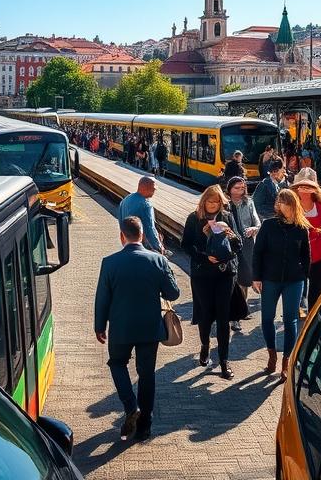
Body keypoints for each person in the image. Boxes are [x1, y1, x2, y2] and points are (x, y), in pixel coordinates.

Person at [95, 215, 180, 442]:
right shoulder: (158, 260)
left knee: (117, 363)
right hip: (149, 328)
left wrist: (100, 326)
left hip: (121, 328)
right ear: (142, 235)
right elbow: (173, 293)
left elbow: (102, 298)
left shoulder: (109, 262)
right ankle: (144, 426)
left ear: (122, 236)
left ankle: (131, 406)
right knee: (146, 374)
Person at [180, 185, 242, 379]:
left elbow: (238, 245)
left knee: (223, 318)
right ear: (204, 201)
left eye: (217, 201)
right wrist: (204, 256)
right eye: (210, 201)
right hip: (202, 274)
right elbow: (186, 245)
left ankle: (224, 361)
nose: (214, 205)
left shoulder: (227, 217)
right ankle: (205, 344)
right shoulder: (194, 218)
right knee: (205, 315)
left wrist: (231, 236)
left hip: (225, 273)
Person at [251, 188, 311, 381]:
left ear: (294, 205)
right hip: (270, 278)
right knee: (267, 318)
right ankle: (272, 355)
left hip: (294, 280)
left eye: (287, 203)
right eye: (281, 202)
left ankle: (286, 362)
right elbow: (257, 252)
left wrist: (304, 276)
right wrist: (256, 277)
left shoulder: (301, 228)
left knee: (290, 320)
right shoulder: (268, 225)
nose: (283, 206)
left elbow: (306, 256)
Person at [291, 170, 321, 310]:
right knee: (296, 287)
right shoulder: (292, 207)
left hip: (317, 256)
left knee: (315, 287)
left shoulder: (320, 207)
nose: (304, 190)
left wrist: (319, 238)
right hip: (296, 255)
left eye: (308, 186)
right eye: (301, 186)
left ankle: (312, 314)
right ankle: (295, 311)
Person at [225, 176, 261, 332]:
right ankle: (235, 317)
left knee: (244, 279)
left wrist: (254, 229)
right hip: (230, 244)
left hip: (246, 244)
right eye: (237, 188)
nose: (240, 190)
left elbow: (257, 222)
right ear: (230, 189)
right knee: (233, 279)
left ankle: (241, 309)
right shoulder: (225, 205)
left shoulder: (249, 202)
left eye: (242, 187)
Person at [118, 177, 165, 255]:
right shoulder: (145, 205)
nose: (154, 191)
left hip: (127, 243)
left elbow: (120, 220)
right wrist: (158, 247)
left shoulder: (125, 200)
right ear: (145, 188)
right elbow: (150, 228)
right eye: (153, 189)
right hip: (142, 247)